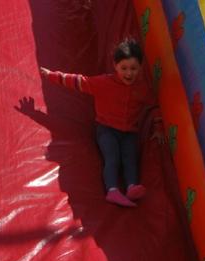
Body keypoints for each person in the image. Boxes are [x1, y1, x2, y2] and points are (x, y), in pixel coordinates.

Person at [40, 37, 164, 208]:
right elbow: (79, 82)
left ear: (141, 68)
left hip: (129, 131)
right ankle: (112, 190)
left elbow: (154, 106)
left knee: (130, 158)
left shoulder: (141, 89)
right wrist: (53, 76)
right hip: (106, 129)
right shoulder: (104, 83)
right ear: (115, 66)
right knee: (112, 157)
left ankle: (131, 186)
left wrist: (158, 128)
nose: (129, 73)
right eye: (124, 68)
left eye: (134, 68)